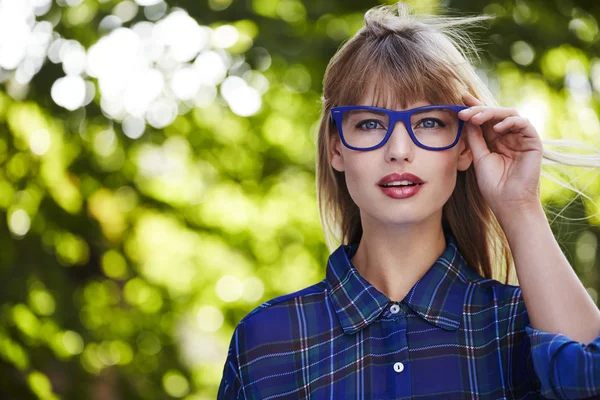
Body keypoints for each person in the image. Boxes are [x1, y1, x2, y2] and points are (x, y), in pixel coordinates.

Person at [217, 2, 600, 399]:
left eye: (429, 122)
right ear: (336, 147)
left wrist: (520, 207)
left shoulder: (523, 326)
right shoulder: (265, 343)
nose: (399, 150)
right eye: (370, 123)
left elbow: (589, 381)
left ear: (465, 146)